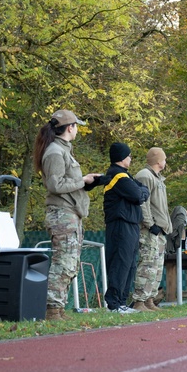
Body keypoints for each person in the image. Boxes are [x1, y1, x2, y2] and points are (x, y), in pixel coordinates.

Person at [32, 109, 105, 321]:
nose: (77, 130)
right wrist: (82, 181)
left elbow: (65, 182)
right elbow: (55, 184)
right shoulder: (55, 151)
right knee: (63, 263)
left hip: (70, 213)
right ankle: (51, 309)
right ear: (69, 127)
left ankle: (58, 309)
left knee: (69, 263)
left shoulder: (63, 150)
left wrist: (86, 179)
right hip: (61, 214)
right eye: (76, 126)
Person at [103, 142, 149, 314]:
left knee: (129, 264)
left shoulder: (125, 175)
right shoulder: (117, 176)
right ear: (122, 158)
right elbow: (139, 194)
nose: (130, 158)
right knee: (120, 263)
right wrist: (142, 193)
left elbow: (143, 190)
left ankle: (121, 302)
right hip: (121, 225)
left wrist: (142, 192)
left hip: (130, 224)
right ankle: (113, 304)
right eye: (129, 155)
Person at [129, 148, 170, 312]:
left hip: (160, 230)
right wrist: (149, 223)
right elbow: (143, 203)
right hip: (150, 230)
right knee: (147, 265)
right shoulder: (145, 176)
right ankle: (139, 301)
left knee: (156, 267)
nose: (165, 161)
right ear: (157, 160)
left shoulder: (157, 178)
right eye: (164, 158)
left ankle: (149, 299)